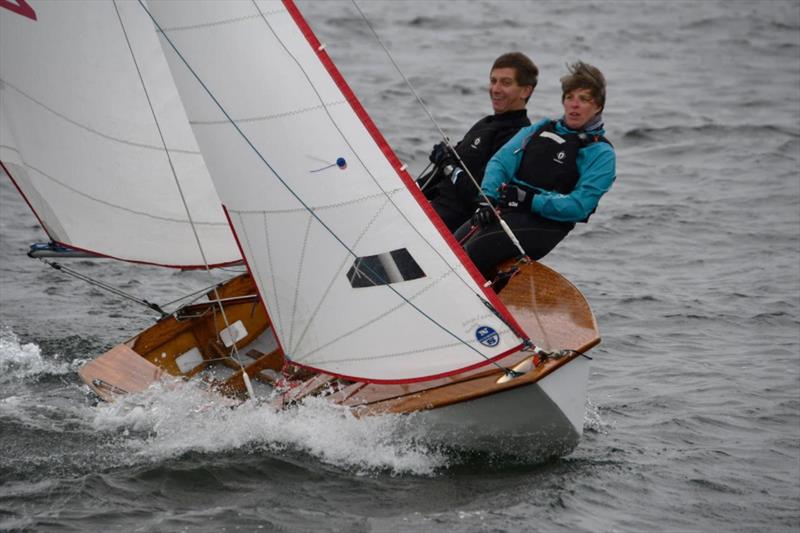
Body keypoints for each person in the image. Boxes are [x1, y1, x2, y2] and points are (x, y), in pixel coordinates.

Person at [455, 61, 616, 282]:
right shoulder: (540, 128)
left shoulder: (600, 153)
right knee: (449, 247)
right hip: (508, 209)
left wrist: (530, 200)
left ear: (598, 106)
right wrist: (487, 198)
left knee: (473, 253)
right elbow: (500, 162)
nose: (575, 105)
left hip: (545, 224)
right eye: (570, 98)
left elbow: (579, 206)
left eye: (584, 99)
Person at [419, 52, 538, 232]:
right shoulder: (486, 123)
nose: (495, 89)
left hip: (451, 226)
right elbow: (448, 169)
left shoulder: (518, 136)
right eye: (493, 81)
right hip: (429, 208)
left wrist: (448, 166)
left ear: (525, 91)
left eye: (505, 83)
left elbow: (478, 193)